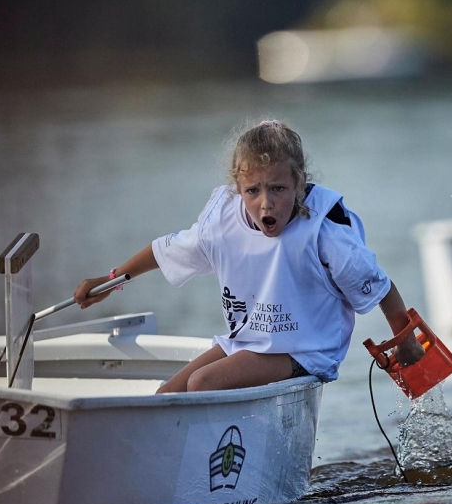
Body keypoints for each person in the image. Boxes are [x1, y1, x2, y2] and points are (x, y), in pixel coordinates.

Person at [74, 119, 424, 393]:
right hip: (250, 341)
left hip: (307, 350)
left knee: (202, 384)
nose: (265, 203)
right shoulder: (221, 224)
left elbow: (379, 286)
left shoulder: (325, 233)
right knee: (167, 394)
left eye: (278, 189)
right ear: (238, 188)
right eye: (252, 191)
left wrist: (405, 343)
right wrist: (111, 280)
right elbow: (164, 249)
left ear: (300, 183)